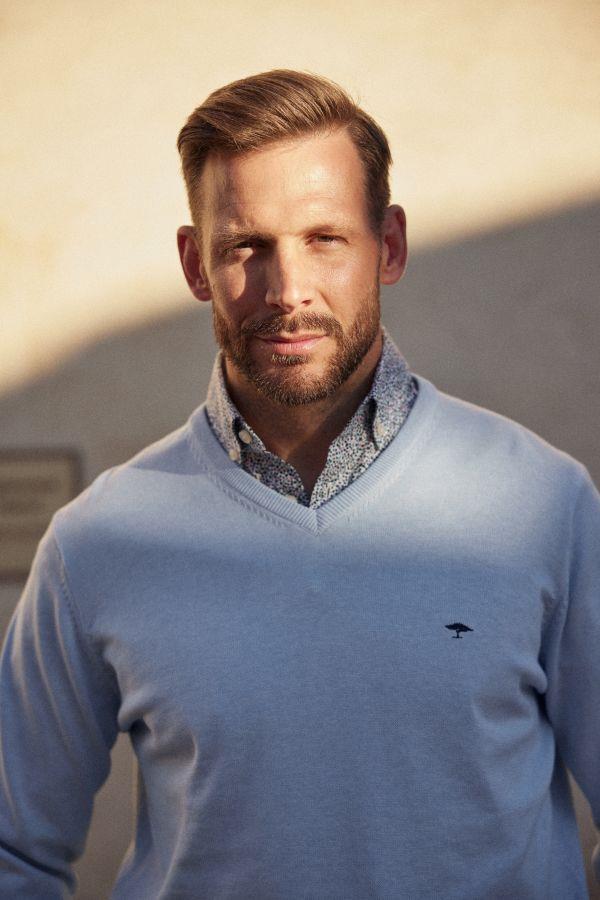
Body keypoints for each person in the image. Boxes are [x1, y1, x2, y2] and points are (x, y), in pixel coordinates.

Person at [0, 69, 598, 900]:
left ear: (389, 245)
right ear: (195, 264)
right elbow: (12, 849)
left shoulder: (544, 505)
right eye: (246, 246)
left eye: (325, 238)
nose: (288, 292)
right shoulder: (97, 544)